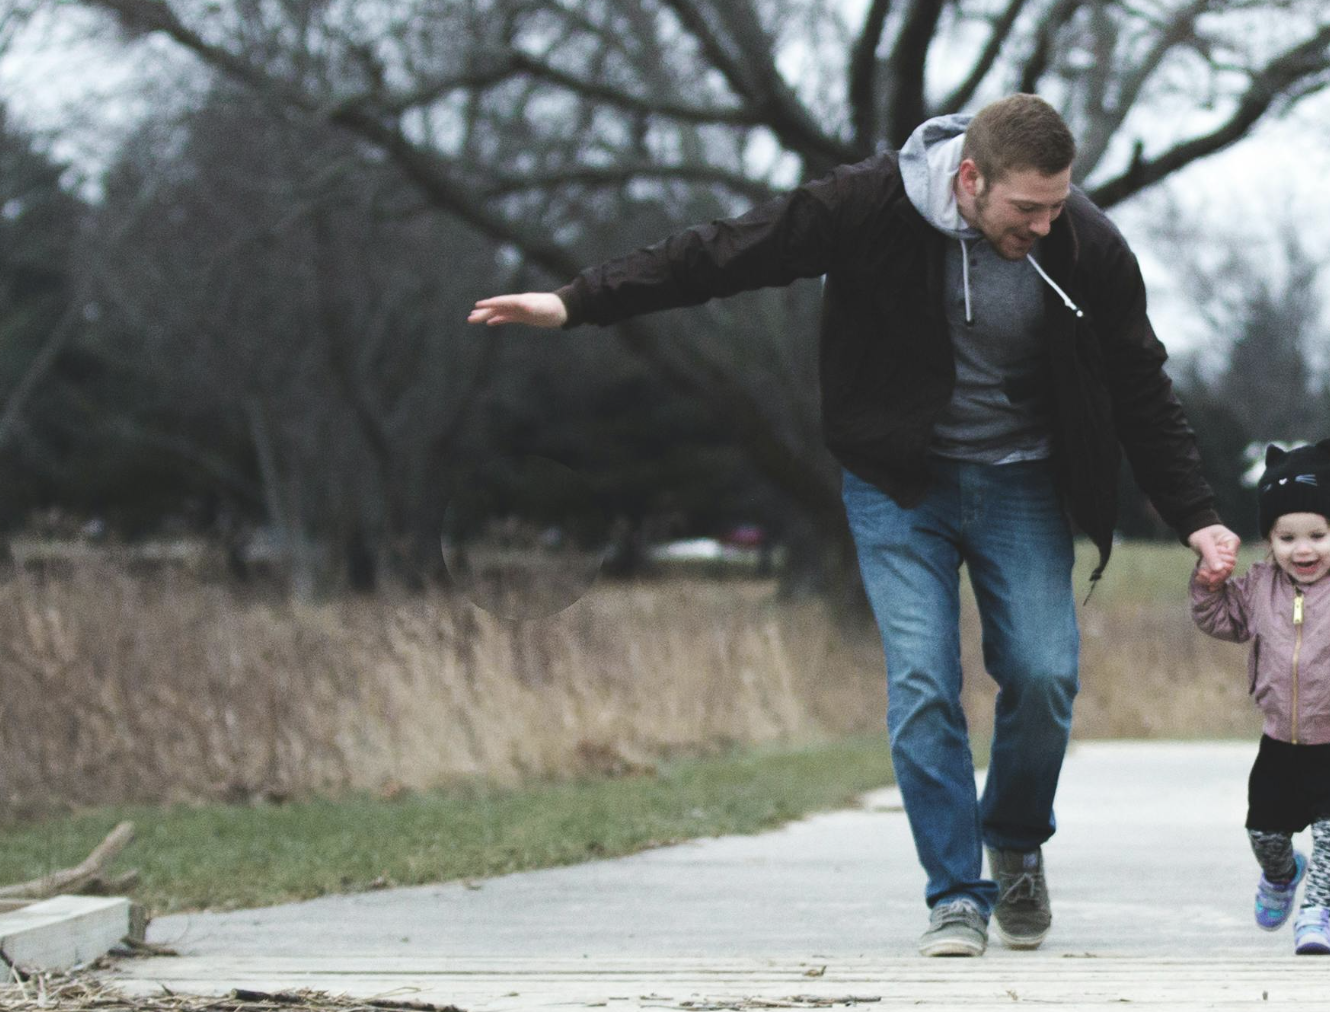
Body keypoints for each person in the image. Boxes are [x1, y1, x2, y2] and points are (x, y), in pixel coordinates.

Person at [468, 94, 1240, 957]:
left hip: (1020, 481)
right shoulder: (868, 203)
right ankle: (956, 893)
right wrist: (576, 302)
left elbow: (1141, 383)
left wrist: (1198, 520)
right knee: (922, 684)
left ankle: (1016, 838)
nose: (1044, 224)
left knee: (1045, 674)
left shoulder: (1085, 244)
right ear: (970, 177)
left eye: (1058, 204)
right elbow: (726, 252)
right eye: (1027, 209)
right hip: (897, 482)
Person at [1187, 437, 1330, 955]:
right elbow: (1219, 620)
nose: (1303, 549)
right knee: (1265, 836)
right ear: (1269, 541)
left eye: (1317, 534)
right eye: (1287, 537)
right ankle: (1283, 872)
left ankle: (1315, 918)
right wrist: (1207, 586)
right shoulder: (1257, 587)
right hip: (1280, 742)